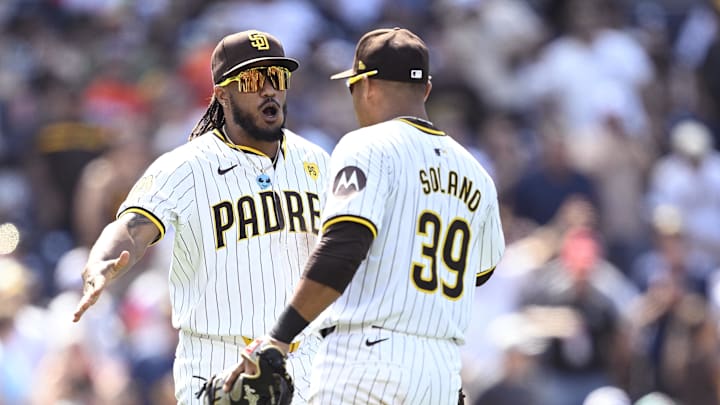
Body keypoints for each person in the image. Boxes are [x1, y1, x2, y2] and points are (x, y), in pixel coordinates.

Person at [225, 27, 505, 404]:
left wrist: (279, 337)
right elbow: (480, 272)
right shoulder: (477, 174)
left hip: (365, 360)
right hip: (440, 369)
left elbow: (343, 248)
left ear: (367, 85)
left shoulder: (367, 145)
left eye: (352, 86)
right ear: (425, 90)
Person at [71, 29, 330, 405]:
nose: (270, 90)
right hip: (218, 360)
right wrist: (101, 263)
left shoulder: (316, 160)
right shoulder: (187, 166)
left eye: (278, 77)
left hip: (304, 357)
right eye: (255, 80)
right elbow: (130, 227)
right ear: (223, 94)